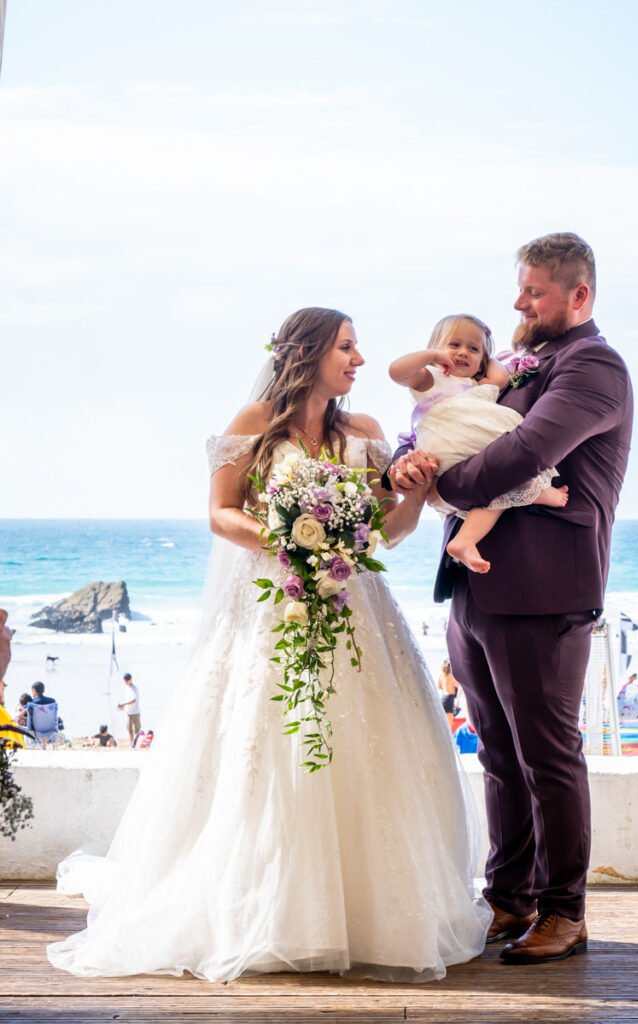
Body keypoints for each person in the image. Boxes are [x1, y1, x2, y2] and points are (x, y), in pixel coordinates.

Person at [48, 306, 491, 983]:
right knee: (273, 751)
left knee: (365, 748)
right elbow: (221, 513)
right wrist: (288, 541)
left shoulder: (366, 433)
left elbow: (390, 533)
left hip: (356, 610)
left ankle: (370, 916)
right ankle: (268, 913)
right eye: (346, 347)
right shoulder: (253, 426)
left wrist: (415, 490)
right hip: (270, 607)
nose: (359, 360)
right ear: (309, 352)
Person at [389, 233, 633, 964]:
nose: (518, 304)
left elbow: (523, 455)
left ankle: (564, 913)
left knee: (547, 758)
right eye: (518, 289)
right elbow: (455, 421)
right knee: (497, 753)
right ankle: (508, 898)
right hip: (476, 581)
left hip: (542, 587)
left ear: (577, 296)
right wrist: (412, 459)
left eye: (532, 292)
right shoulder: (520, 364)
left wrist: (441, 485)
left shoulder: (592, 366)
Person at [389, 315, 569, 573]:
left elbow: (501, 378)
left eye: (473, 349)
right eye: (454, 345)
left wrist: (488, 356)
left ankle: (465, 539)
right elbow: (396, 371)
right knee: (509, 468)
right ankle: (537, 491)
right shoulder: (429, 377)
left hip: (468, 445)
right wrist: (432, 356)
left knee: (496, 487)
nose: (463, 353)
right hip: (451, 436)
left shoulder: (477, 384)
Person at [118, 672, 141, 745]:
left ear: (131, 680)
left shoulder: (135, 688)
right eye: (125, 680)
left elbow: (134, 700)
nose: (126, 682)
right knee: (130, 731)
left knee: (137, 731)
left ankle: (137, 744)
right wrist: (123, 707)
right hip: (128, 713)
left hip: (135, 713)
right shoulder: (126, 687)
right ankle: (132, 745)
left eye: (127, 680)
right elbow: (126, 699)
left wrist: (124, 704)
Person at [436, 659, 460, 730]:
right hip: (450, 699)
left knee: (443, 720)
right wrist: (458, 700)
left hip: (443, 698)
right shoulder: (452, 676)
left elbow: (439, 687)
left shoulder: (440, 676)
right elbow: (459, 686)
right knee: (450, 722)